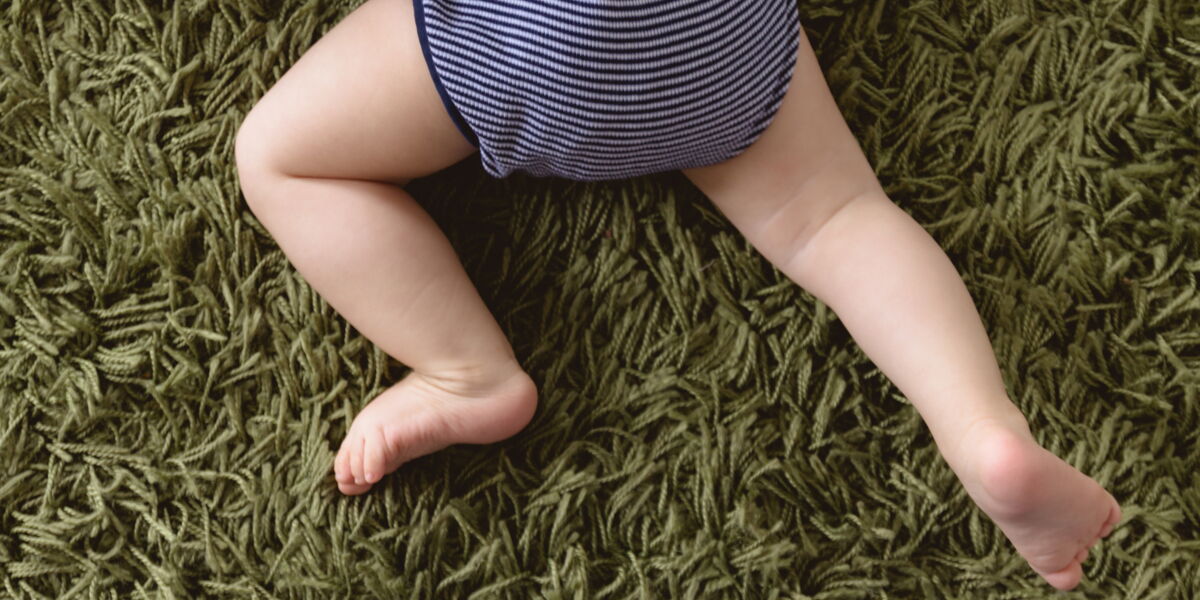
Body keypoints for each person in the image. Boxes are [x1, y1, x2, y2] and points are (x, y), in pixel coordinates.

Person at [233, 0, 1120, 591]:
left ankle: (463, 368)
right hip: (716, 41)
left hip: (528, 45)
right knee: (837, 221)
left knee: (279, 154)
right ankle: (981, 432)